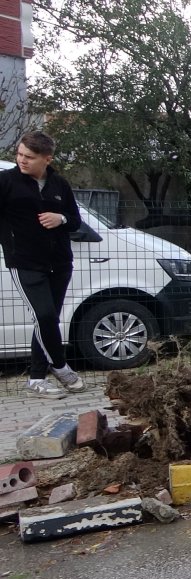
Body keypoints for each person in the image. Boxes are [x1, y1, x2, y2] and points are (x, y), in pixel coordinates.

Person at [0, 131, 87, 398]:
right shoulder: (6, 181)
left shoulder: (59, 184)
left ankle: (36, 381)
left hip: (60, 263)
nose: (22, 160)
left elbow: (75, 220)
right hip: (25, 263)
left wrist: (61, 218)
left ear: (46, 159)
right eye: (19, 154)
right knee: (44, 316)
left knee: (48, 321)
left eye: (29, 156)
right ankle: (60, 367)